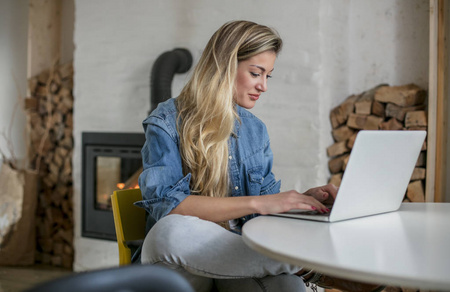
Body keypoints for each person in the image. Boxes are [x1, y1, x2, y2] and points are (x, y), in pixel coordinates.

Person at [136, 20, 382, 292]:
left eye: (268, 76)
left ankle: (295, 267)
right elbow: (169, 206)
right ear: (225, 66)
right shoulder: (166, 122)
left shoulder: (255, 130)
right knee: (170, 230)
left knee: (287, 286)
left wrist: (303, 202)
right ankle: (307, 264)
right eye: (256, 73)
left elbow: (265, 212)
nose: (263, 86)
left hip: (237, 258)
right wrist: (258, 203)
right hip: (177, 266)